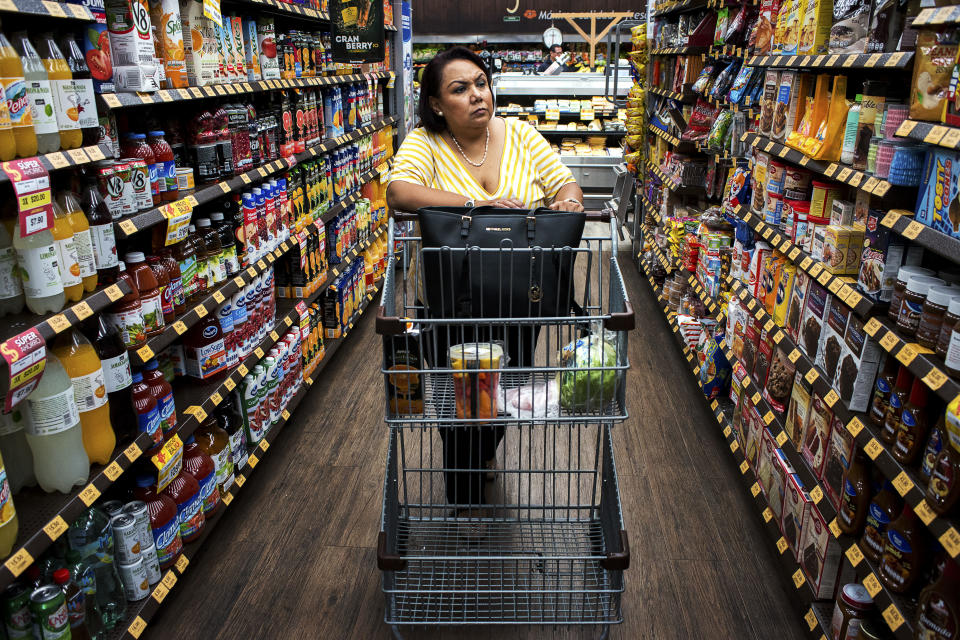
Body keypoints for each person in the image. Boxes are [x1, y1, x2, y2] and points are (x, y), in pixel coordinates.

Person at [386, 46, 585, 519]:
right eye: (460, 89)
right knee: (460, 407)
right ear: (436, 103)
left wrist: (569, 201)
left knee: (502, 393)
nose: (478, 95)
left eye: (481, 82)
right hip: (451, 301)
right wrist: (475, 208)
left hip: (520, 295)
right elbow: (399, 191)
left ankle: (485, 447)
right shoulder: (424, 142)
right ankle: (466, 503)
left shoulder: (520, 133)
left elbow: (564, 183)